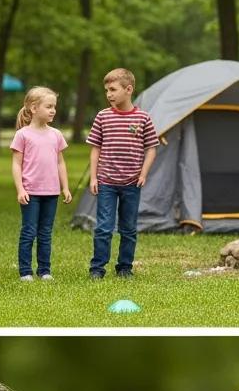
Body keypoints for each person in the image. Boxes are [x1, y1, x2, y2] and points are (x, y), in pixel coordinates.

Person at [87, 67, 158, 280]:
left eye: (113, 89)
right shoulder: (103, 117)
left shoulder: (143, 118)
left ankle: (125, 268)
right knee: (103, 227)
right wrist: (94, 176)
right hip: (106, 181)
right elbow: (95, 148)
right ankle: (97, 269)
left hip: (132, 183)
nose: (109, 94)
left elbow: (151, 148)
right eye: (107, 90)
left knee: (128, 229)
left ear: (128, 89)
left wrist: (143, 174)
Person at [10, 86, 73, 282]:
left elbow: (60, 162)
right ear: (33, 108)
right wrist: (20, 189)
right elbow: (16, 164)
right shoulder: (23, 135)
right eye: (49, 106)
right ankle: (25, 271)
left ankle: (44, 270)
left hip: (51, 193)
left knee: (45, 233)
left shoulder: (56, 134)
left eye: (54, 106)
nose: (53, 110)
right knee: (29, 231)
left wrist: (65, 187)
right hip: (30, 192)